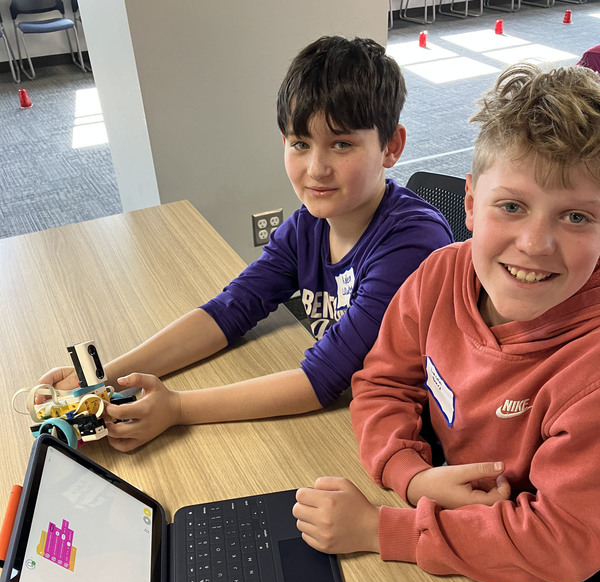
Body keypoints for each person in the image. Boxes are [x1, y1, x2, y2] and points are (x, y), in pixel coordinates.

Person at [293, 62, 600, 582]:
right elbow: (383, 381)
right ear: (469, 204)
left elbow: (563, 543)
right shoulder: (440, 274)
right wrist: (410, 475)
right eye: (511, 206)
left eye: (577, 216)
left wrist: (380, 529)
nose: (534, 244)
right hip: (453, 522)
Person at [38, 35, 452, 451]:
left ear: (391, 146)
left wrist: (177, 409)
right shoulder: (308, 226)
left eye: (342, 144)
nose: (316, 168)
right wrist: (103, 378)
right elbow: (230, 310)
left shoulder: (412, 246)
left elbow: (322, 380)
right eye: (300, 144)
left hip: (417, 443)